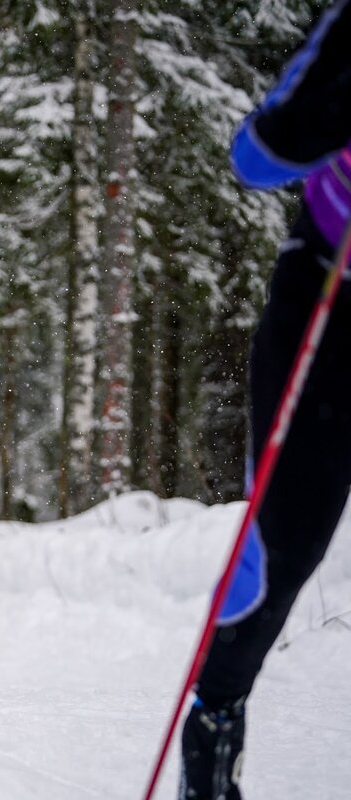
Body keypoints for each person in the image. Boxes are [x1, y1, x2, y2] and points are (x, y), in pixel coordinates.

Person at [179, 4, 351, 798]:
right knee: (284, 545)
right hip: (329, 293)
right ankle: (213, 737)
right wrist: (323, 118)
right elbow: (255, 155)